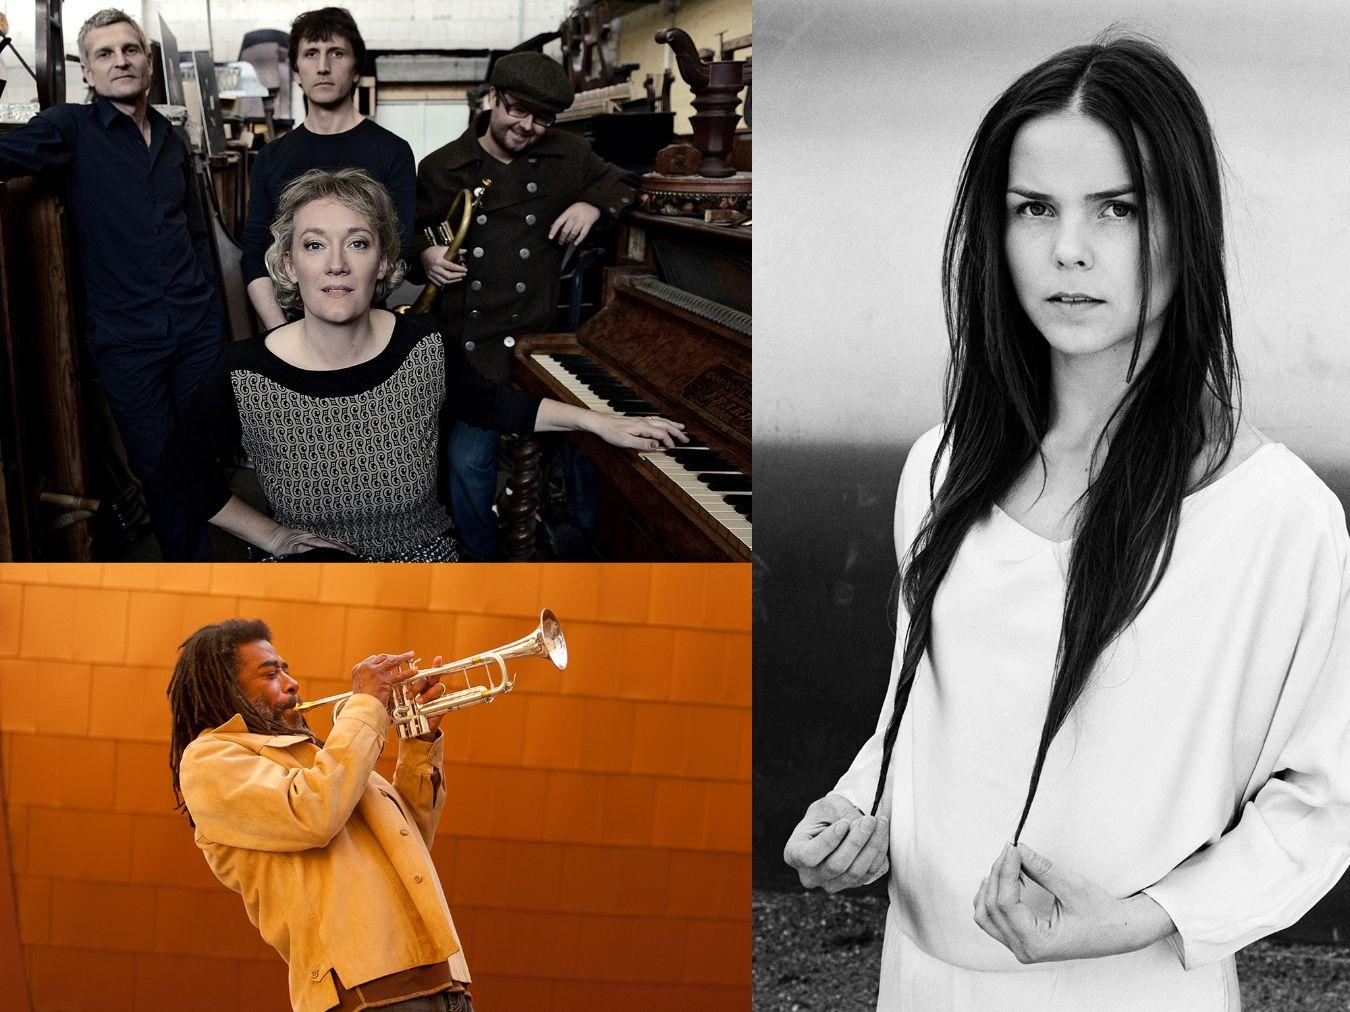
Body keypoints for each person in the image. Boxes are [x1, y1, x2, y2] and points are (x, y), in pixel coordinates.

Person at [783, 35, 1350, 1010]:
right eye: (1035, 208)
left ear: (1185, 229)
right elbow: (915, 714)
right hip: (923, 981)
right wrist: (856, 810)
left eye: (1118, 209)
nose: (1070, 249)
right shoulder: (939, 467)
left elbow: (1321, 804)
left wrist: (1138, 917)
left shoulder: (1279, 519)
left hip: (1132, 986)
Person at [158, 167, 683, 561]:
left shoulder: (425, 345)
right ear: (290, 266)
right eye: (314, 245)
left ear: (384, 261)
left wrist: (599, 420)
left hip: (423, 558)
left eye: (357, 244)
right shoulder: (243, 371)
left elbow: (497, 405)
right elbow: (179, 476)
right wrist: (273, 537)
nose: (336, 264)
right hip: (307, 565)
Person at [0, 8, 226, 560]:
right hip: (128, 342)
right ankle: (193, 573)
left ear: (147, 62)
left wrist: (216, 323)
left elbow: (197, 235)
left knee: (199, 457)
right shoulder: (69, 128)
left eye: (129, 50)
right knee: (158, 467)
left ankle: (203, 565)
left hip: (196, 331)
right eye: (105, 54)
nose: (119, 61)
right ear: (88, 73)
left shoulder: (171, 141)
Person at [168, 618, 477, 1012]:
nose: (292, 682)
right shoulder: (210, 759)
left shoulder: (321, 758)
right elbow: (314, 815)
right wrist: (364, 706)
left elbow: (410, 838)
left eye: (286, 668)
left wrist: (419, 741)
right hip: (365, 993)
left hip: (446, 982)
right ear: (226, 688)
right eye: (270, 673)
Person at [414, 51, 638, 559]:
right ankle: (481, 560)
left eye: (543, 118)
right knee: (468, 463)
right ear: (493, 98)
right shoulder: (441, 166)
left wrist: (591, 204)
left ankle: (567, 549)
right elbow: (409, 238)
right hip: (470, 348)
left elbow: (625, 182)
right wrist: (425, 255)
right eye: (517, 110)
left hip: (536, 341)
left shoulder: (570, 155)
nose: (528, 126)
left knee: (584, 451)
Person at [242, 7, 416, 330]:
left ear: (355, 71)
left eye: (336, 53)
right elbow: (255, 256)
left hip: (368, 328)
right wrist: (281, 333)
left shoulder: (394, 151)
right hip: (291, 326)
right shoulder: (270, 157)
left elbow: (398, 251)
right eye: (311, 54)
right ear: (296, 72)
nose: (323, 67)